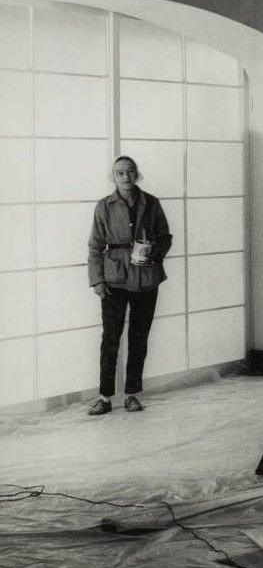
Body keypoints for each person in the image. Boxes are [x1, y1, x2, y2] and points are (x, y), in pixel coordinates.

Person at [86, 156, 172, 415]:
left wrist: (153, 251)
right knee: (110, 338)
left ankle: (132, 394)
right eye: (120, 173)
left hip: (146, 278)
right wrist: (97, 280)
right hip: (114, 278)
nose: (126, 177)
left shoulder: (152, 203)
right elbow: (94, 247)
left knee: (139, 337)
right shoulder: (104, 206)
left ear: (138, 174)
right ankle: (104, 397)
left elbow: (165, 237)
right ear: (113, 177)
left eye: (130, 172)